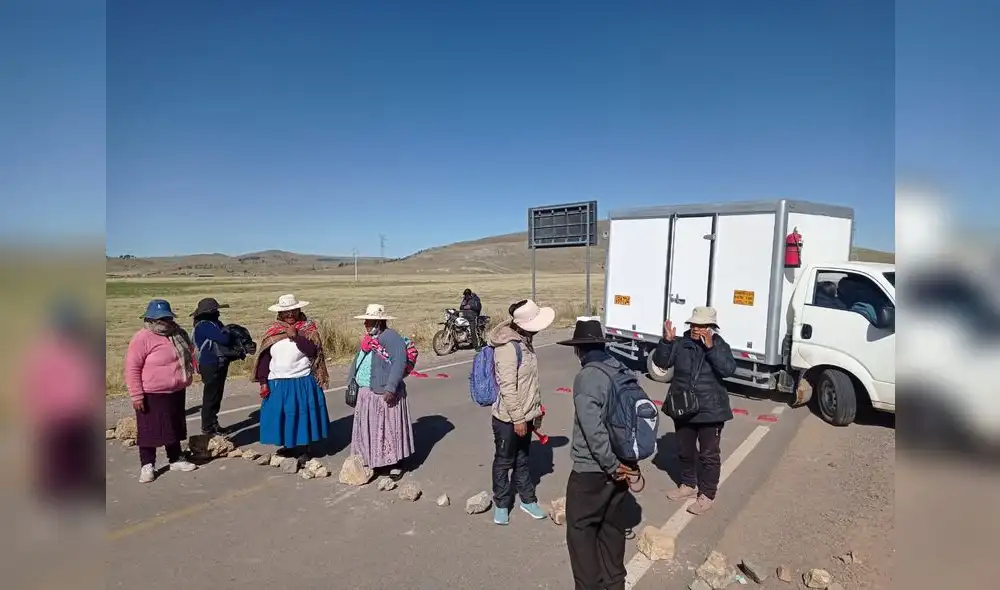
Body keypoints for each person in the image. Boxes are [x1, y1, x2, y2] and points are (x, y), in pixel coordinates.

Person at [559, 317, 639, 590]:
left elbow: (592, 429)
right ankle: (615, 584)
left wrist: (611, 465)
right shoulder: (619, 368)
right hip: (623, 467)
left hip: (593, 471)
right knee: (612, 529)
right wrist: (625, 465)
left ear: (578, 349)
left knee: (581, 533)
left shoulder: (587, 377)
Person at [652, 306, 737, 515]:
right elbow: (661, 363)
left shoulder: (719, 345)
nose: (695, 329)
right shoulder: (681, 343)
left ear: (710, 328)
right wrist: (666, 342)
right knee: (685, 450)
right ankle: (688, 485)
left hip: (711, 410)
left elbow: (728, 369)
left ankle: (707, 494)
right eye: (693, 325)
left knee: (708, 455)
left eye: (700, 326)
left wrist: (711, 349)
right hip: (683, 406)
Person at [487, 298, 554, 525]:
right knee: (504, 461)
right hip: (508, 418)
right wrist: (517, 418)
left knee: (523, 459)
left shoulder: (525, 341)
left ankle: (527, 500)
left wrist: (535, 412)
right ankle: (502, 504)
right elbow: (508, 386)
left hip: (525, 415)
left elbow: (530, 383)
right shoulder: (508, 347)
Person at [124, 299, 199, 484]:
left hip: (175, 390)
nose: (163, 321)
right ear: (150, 318)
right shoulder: (142, 338)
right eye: (159, 318)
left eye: (166, 317)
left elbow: (189, 355)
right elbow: (132, 368)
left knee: (174, 426)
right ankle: (147, 465)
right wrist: (136, 394)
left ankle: (175, 459)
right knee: (149, 430)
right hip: (151, 392)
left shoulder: (178, 334)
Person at [252, 294, 330, 458]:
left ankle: (304, 448)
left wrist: (295, 336)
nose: (290, 314)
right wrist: (263, 381)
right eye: (286, 311)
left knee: (302, 414)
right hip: (277, 381)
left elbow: (313, 351)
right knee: (283, 415)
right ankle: (289, 445)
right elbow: (265, 358)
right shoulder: (273, 331)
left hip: (301, 380)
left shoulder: (308, 330)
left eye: (293, 311)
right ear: (280, 313)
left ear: (299, 310)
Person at [348, 304, 415, 477]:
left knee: (389, 429)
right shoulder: (369, 340)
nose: (365, 324)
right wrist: (351, 381)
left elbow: (399, 362)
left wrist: (391, 388)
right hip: (367, 392)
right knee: (372, 428)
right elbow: (358, 361)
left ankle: (395, 463)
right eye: (366, 321)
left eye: (369, 321)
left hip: (384, 392)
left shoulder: (391, 338)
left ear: (379, 322)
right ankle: (375, 460)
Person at [191, 297, 242, 436]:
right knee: (211, 396)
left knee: (216, 395)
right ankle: (208, 427)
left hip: (217, 363)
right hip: (210, 364)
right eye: (216, 311)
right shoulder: (204, 325)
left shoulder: (212, 323)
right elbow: (224, 339)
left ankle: (213, 423)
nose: (218, 313)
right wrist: (228, 331)